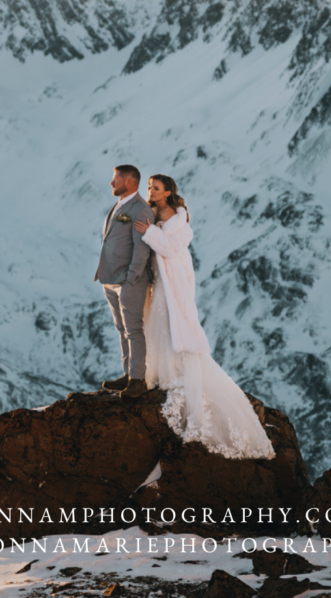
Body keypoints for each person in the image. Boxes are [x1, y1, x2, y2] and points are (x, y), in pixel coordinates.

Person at [134, 174, 275, 459]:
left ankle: (173, 372)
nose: (151, 191)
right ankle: (161, 372)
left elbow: (173, 248)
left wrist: (149, 233)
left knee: (168, 320)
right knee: (158, 321)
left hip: (173, 277)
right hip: (162, 275)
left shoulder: (175, 216)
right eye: (149, 187)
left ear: (169, 192)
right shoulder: (155, 211)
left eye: (156, 188)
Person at [95, 164, 155, 400]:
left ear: (130, 181)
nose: (112, 183)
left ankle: (138, 380)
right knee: (121, 329)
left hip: (129, 281)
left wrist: (131, 279)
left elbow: (141, 250)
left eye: (115, 179)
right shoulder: (119, 205)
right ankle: (128, 374)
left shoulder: (141, 210)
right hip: (110, 278)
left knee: (133, 330)